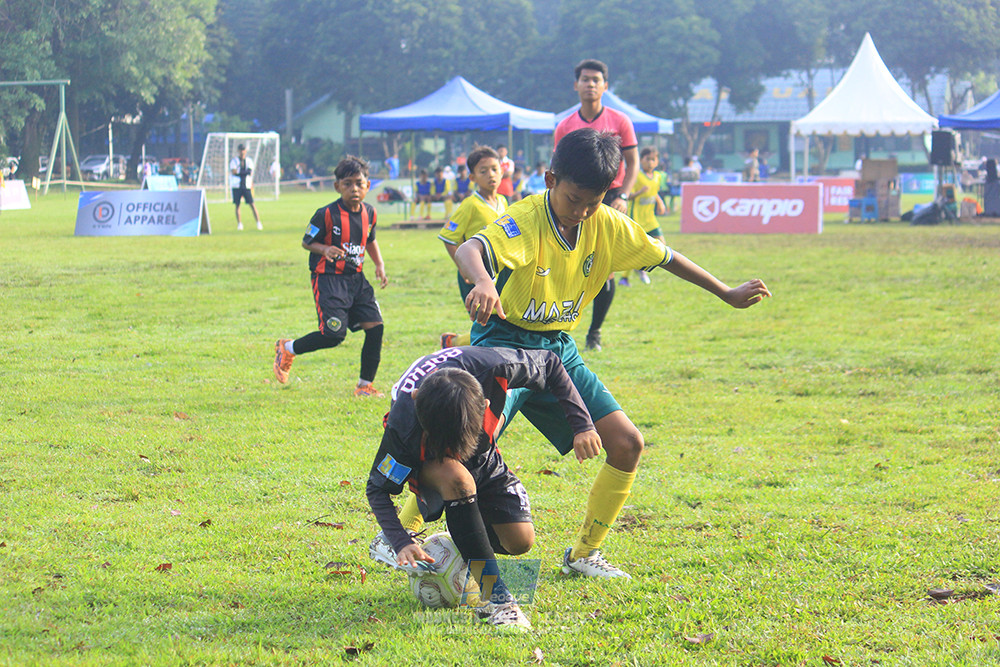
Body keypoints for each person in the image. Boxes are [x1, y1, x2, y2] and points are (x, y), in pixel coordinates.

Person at [451, 129, 770, 579]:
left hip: (558, 350)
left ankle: (583, 555)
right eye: (573, 198)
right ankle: (400, 536)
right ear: (550, 179)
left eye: (592, 202)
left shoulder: (608, 225)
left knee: (627, 443)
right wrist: (484, 281)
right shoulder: (526, 216)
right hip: (504, 345)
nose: (581, 211)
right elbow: (470, 249)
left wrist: (725, 292)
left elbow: (666, 257)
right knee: (465, 444)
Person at [366, 345, 601, 629]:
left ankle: (465, 546)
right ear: (417, 403)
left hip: (483, 454)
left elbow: (550, 362)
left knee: (519, 541)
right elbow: (377, 488)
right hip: (430, 461)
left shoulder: (497, 368)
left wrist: (582, 425)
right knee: (458, 479)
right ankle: (496, 599)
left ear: (486, 407)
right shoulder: (404, 424)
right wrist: (400, 539)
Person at [273, 156, 389, 396]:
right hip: (328, 279)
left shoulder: (370, 212)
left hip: (357, 279)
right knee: (333, 335)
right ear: (338, 187)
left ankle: (364, 385)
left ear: (368, 185)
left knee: (376, 327)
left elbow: (370, 239)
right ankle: (287, 348)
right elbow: (307, 242)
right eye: (347, 184)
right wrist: (325, 249)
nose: (354, 189)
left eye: (359, 183)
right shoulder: (325, 214)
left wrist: (379, 264)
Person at [553, 59, 638, 352]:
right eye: (585, 79)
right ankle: (559, 325)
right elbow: (559, 167)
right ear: (575, 85)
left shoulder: (620, 121)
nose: (590, 84)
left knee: (606, 267)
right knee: (569, 261)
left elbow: (632, 162)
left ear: (605, 86)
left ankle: (595, 332)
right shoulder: (565, 126)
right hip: (575, 200)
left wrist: (623, 196)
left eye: (596, 80)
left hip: (611, 198)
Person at [438, 146, 507, 349]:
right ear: (472, 177)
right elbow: (448, 237)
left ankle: (453, 342)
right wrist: (463, 268)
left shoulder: (503, 202)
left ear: (502, 170)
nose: (490, 175)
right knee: (487, 324)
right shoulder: (470, 205)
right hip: (475, 275)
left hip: (498, 274)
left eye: (494, 169)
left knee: (500, 323)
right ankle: (455, 344)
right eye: (483, 171)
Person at [620, 147, 667, 286]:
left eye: (654, 159)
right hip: (637, 219)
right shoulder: (637, 177)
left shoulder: (657, 176)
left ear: (657, 161)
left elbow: (654, 192)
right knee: (634, 250)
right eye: (648, 159)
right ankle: (624, 278)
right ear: (641, 160)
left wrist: (660, 203)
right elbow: (629, 196)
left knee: (662, 246)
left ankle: (641, 268)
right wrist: (640, 192)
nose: (651, 163)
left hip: (651, 219)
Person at [230, 144, 262, 231]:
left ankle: (258, 222)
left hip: (246, 185)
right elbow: (234, 172)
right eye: (240, 150)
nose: (242, 152)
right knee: (237, 205)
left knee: (252, 204)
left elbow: (250, 172)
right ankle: (239, 223)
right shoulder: (234, 161)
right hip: (237, 185)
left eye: (243, 150)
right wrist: (243, 172)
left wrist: (240, 172)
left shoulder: (249, 161)